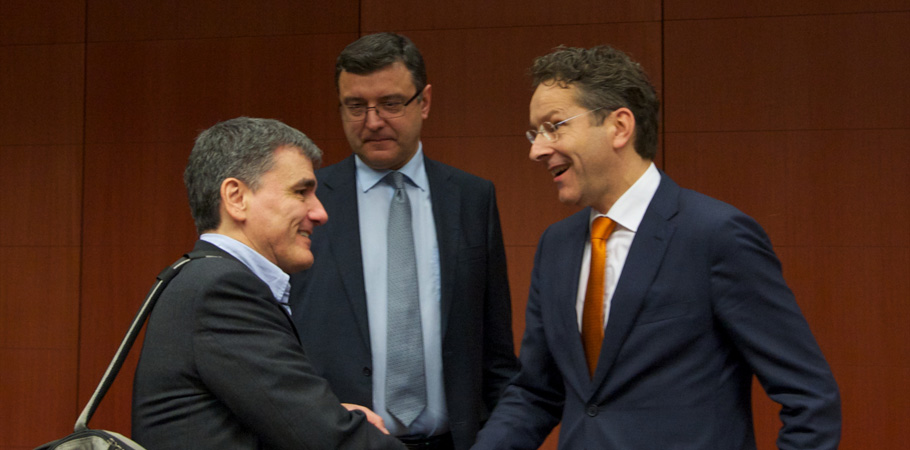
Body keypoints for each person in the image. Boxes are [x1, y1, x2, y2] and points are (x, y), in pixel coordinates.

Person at [472, 46, 841, 449]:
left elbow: (810, 400)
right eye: (535, 132)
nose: (537, 149)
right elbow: (535, 393)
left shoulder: (716, 236)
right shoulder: (556, 246)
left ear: (619, 127)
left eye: (554, 126)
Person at [289, 32, 519, 450]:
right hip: (341, 443)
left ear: (424, 102)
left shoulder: (472, 198)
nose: (373, 121)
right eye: (355, 106)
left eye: (391, 103)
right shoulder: (306, 201)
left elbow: (496, 350)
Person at [131, 117, 405, 450]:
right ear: (236, 197)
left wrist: (328, 413)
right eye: (301, 192)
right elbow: (324, 439)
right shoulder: (223, 290)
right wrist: (328, 420)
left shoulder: (200, 277)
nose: (320, 213)